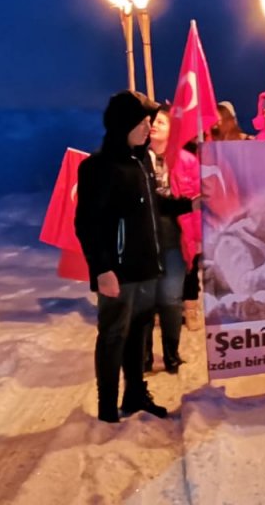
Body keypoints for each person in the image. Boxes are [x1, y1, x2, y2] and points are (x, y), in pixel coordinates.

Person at [75, 91, 195, 421]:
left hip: (145, 267)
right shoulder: (98, 167)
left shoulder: (139, 162)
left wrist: (190, 204)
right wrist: (102, 269)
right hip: (118, 270)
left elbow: (153, 208)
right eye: (141, 122)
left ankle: (134, 395)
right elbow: (87, 223)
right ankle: (107, 406)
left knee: (139, 333)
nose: (147, 127)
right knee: (114, 335)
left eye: (148, 121)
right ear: (122, 124)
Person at [141, 105, 202, 375]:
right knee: (144, 301)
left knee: (170, 299)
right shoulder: (136, 159)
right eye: (152, 121)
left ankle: (171, 355)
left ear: (172, 130)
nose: (155, 125)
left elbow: (199, 199)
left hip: (176, 239)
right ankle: (142, 357)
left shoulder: (187, 161)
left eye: (162, 122)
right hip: (142, 240)